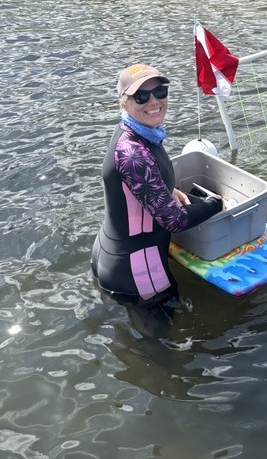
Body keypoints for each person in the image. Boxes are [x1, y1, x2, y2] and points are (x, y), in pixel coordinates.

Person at [92, 63, 223, 337]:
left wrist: (169, 188)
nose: (153, 101)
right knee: (160, 348)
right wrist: (215, 205)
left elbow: (139, 186)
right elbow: (172, 220)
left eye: (160, 91)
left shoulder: (138, 133)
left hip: (115, 252)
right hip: (138, 270)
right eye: (141, 96)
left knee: (137, 334)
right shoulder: (133, 152)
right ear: (123, 103)